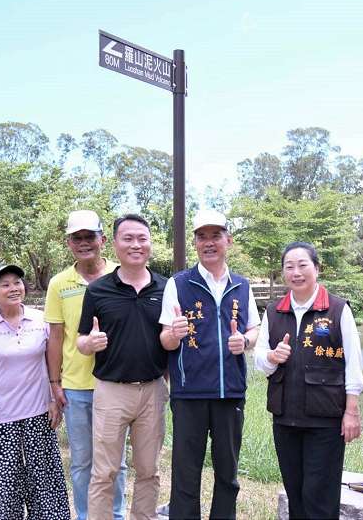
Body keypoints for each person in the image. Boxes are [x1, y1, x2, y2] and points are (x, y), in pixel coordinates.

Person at [159, 209, 261, 520]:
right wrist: (174, 334)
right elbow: (165, 339)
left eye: (215, 235)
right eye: (202, 236)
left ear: (228, 240)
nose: (209, 242)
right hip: (189, 394)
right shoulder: (179, 284)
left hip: (230, 393)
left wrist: (243, 341)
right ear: (195, 243)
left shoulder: (242, 286)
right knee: (186, 474)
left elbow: (254, 330)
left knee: (228, 474)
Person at [255, 241, 363, 519]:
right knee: (297, 495)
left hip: (325, 421)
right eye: (289, 267)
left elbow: (353, 364)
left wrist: (351, 412)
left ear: (317, 269)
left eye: (303, 265)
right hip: (285, 420)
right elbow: (259, 362)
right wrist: (272, 356)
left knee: (321, 497)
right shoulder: (274, 311)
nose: (296, 272)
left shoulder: (338, 309)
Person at [75, 214, 169, 520]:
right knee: (104, 472)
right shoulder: (98, 290)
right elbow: (80, 341)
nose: (136, 245)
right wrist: (90, 344)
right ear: (114, 243)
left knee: (149, 471)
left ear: (151, 244)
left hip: (153, 391)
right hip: (111, 392)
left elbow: (170, 339)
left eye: (142, 238)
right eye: (127, 238)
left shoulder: (166, 288)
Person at [0, 264, 70, 520]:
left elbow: (52, 362)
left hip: (39, 415)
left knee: (45, 486)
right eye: (5, 284)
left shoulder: (40, 319)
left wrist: (53, 398)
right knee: (3, 489)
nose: (13, 288)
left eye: (17, 282)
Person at [44, 209, 127, 520]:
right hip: (77, 387)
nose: (84, 243)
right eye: (77, 238)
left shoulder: (122, 274)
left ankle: (115, 515)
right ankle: (85, 515)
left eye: (89, 237)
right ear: (68, 243)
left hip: (117, 385)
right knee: (81, 461)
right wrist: (55, 383)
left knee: (116, 461)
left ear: (102, 239)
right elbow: (55, 337)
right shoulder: (59, 283)